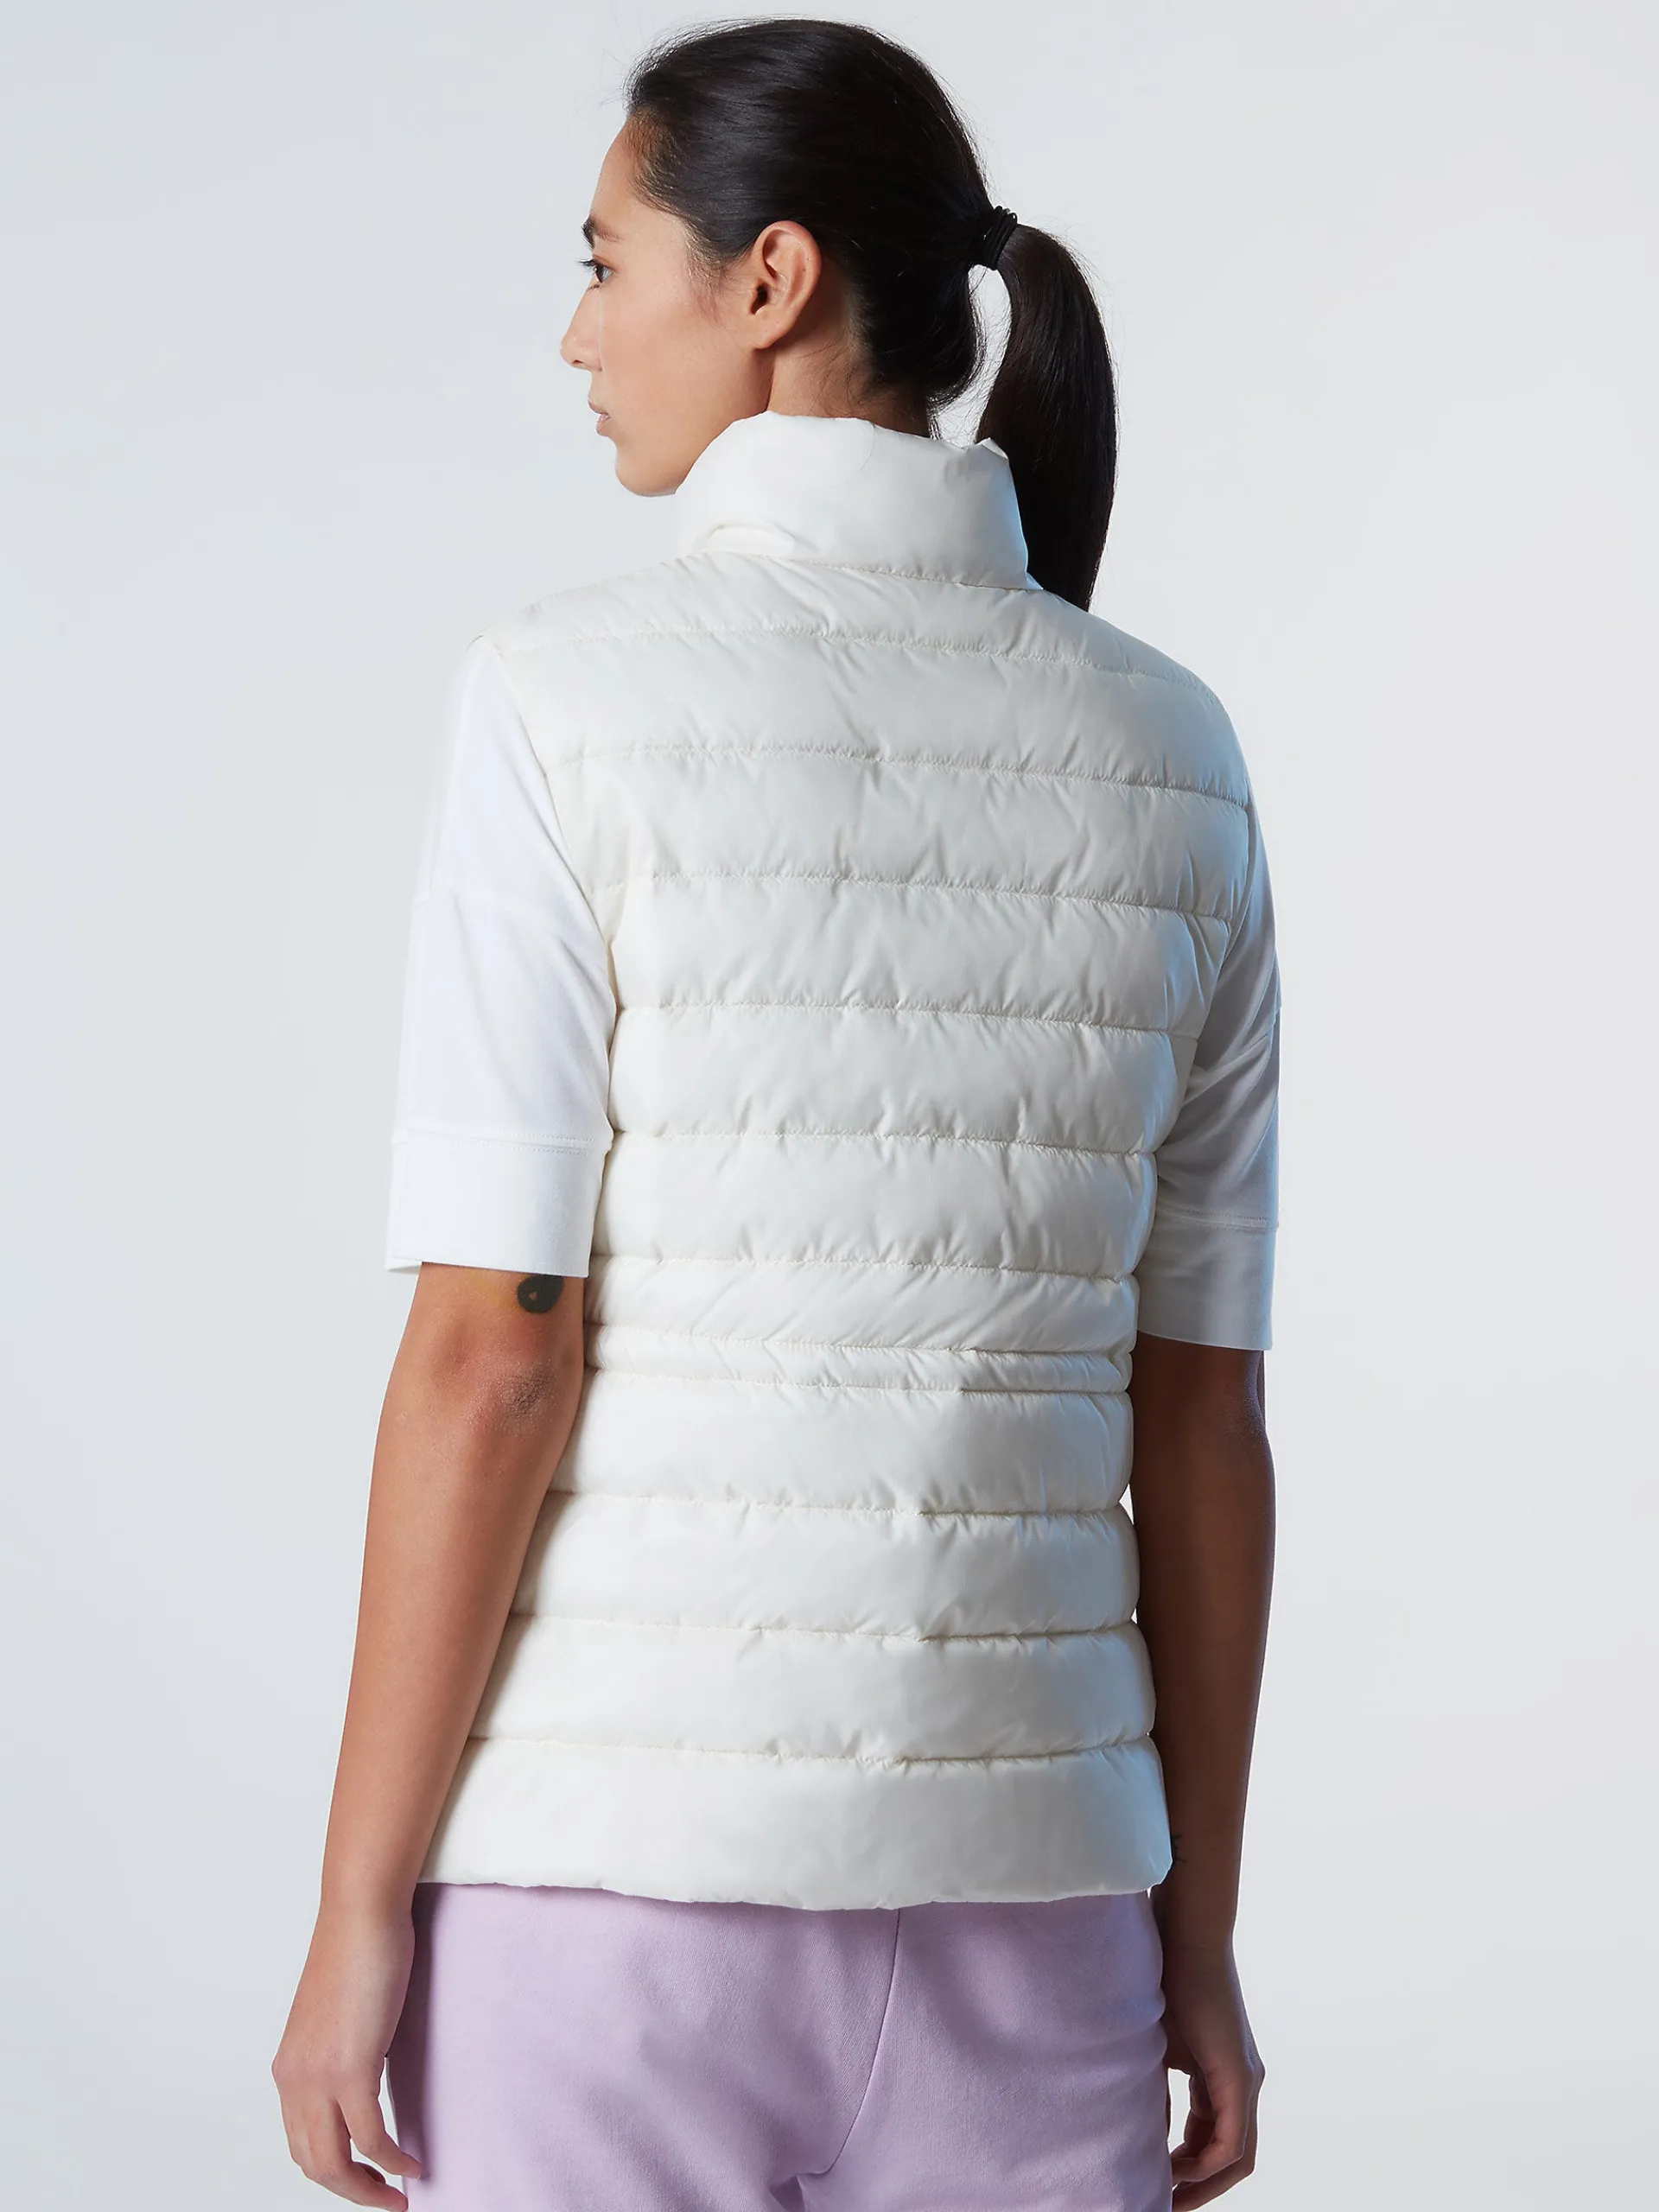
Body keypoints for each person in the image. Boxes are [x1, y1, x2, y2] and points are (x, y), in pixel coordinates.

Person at [272, 18, 1279, 2212]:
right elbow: (1203, 1420)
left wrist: (355, 1909)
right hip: (1045, 1897)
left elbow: (491, 1358)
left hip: (610, 1891)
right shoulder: (1176, 754)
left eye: (603, 259)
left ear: (769, 277)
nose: (576, 331)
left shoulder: (560, 699)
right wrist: (1192, 1939)